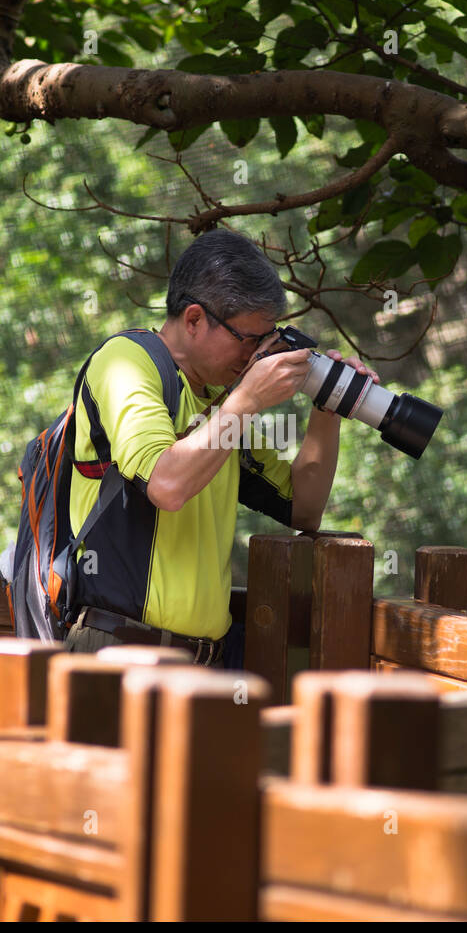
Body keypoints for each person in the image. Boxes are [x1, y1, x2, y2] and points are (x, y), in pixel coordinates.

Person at [63, 230, 377, 667]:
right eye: (248, 338)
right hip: (120, 655)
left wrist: (327, 408)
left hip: (209, 662)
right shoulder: (125, 360)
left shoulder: (220, 402)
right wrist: (246, 400)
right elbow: (167, 484)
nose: (256, 356)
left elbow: (303, 508)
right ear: (194, 319)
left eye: (265, 340)